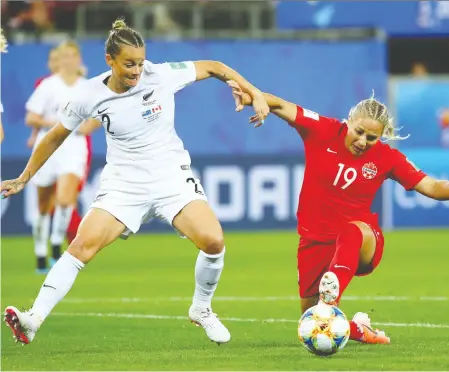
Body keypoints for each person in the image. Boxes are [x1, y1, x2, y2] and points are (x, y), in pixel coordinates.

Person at [2, 18, 269, 345]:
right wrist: (23, 178)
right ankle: (33, 319)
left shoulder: (160, 75)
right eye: (129, 64)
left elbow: (213, 66)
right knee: (81, 247)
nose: (137, 71)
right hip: (123, 185)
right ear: (109, 60)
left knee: (213, 242)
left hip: (171, 177)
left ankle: (201, 309)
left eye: (141, 63)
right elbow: (54, 137)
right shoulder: (89, 95)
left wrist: (253, 91)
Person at [228, 81, 449, 344]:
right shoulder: (322, 129)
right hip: (314, 241)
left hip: (361, 241)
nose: (363, 141)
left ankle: (332, 288)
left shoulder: (387, 157)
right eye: (359, 132)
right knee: (313, 323)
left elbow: (432, 186)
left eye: (372, 138)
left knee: (351, 229)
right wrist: (255, 97)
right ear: (349, 121)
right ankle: (362, 331)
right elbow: (281, 105)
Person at [24, 41, 99, 274]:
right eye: (63, 56)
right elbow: (31, 117)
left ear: (78, 59)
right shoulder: (48, 86)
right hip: (48, 143)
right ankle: (40, 254)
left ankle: (56, 248)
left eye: (71, 56)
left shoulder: (88, 87)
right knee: (44, 205)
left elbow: (100, 113)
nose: (67, 61)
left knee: (66, 199)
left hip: (74, 145)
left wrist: (88, 127)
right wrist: (58, 125)